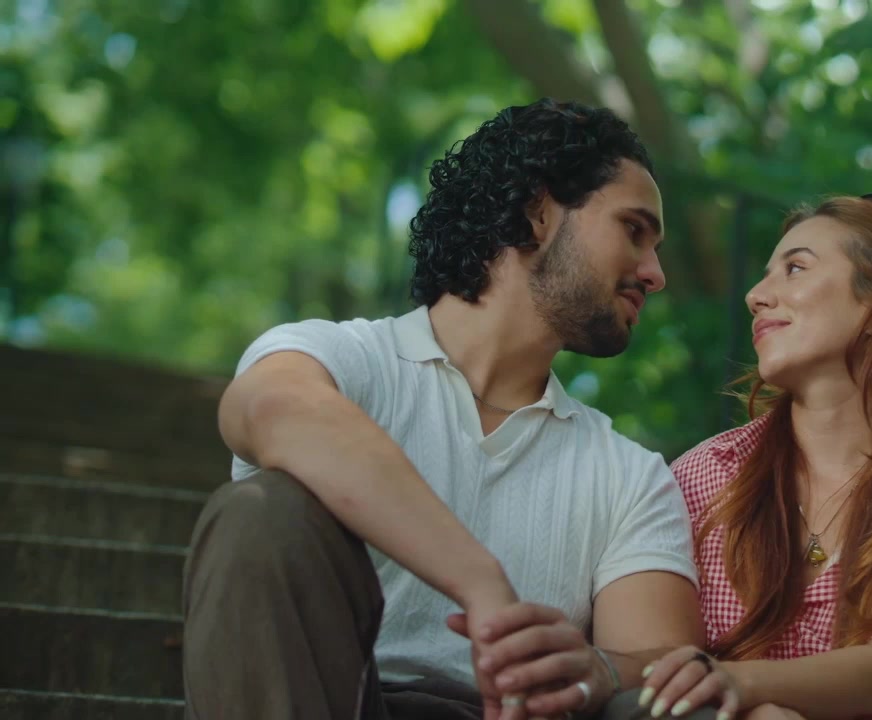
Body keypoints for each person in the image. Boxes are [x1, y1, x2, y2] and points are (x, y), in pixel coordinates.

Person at [181, 98, 706, 720]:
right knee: (260, 513)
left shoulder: (630, 474)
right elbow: (270, 410)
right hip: (328, 701)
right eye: (634, 230)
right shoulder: (339, 360)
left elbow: (660, 663)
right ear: (538, 211)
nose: (656, 273)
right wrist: (480, 583)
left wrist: (597, 671)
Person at [633, 194, 872, 720]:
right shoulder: (705, 476)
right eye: (765, 275)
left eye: (795, 268)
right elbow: (659, 669)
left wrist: (733, 682)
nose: (755, 296)